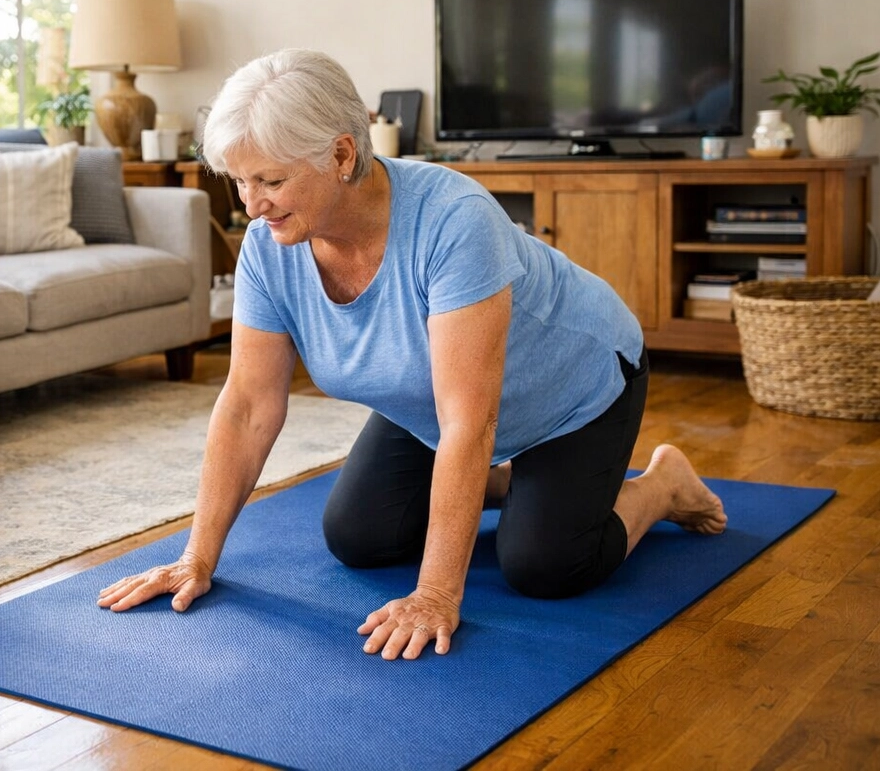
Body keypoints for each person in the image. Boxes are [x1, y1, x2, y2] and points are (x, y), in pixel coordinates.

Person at [98, 49, 726, 659]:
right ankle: (514, 484)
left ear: (342, 154)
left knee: (545, 564)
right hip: (434, 402)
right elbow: (247, 405)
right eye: (239, 180)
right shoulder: (270, 244)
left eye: (270, 180)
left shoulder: (455, 221)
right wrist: (196, 558)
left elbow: (469, 422)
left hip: (575, 386)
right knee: (360, 536)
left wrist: (434, 594)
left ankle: (662, 486)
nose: (251, 205)